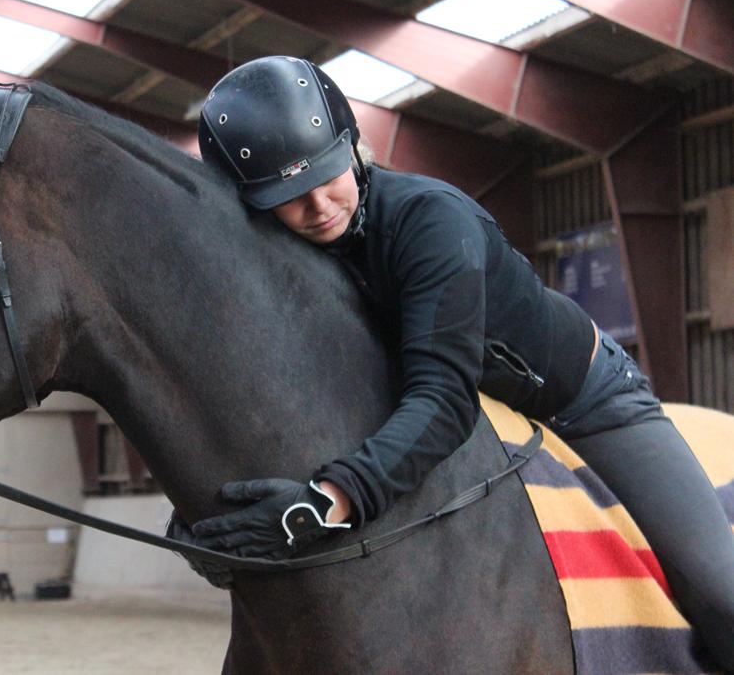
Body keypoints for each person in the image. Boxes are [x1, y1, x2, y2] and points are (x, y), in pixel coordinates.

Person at [170, 55, 734, 669]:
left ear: (353, 145)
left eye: (329, 172)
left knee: (720, 592)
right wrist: (203, 508)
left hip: (583, 402)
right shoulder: (284, 252)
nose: (319, 205)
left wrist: (327, 500)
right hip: (461, 405)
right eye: (287, 195)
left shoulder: (431, 219)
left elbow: (443, 399)